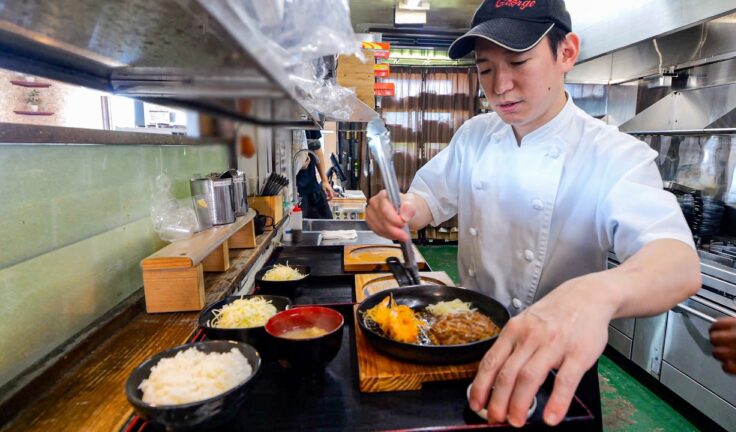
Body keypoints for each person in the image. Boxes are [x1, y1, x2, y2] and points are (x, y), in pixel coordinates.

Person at [365, 0, 701, 428]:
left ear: (567, 53)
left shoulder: (613, 154)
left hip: (556, 366)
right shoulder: (475, 135)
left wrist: (597, 294)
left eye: (519, 62)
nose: (500, 85)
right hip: (465, 342)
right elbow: (427, 199)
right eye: (485, 69)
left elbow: (677, 262)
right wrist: (401, 209)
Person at [296, 130, 335, 219]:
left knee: (327, 225)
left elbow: (317, 147)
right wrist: (297, 165)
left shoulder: (310, 119)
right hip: (296, 192)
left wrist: (325, 181)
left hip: (313, 186)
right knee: (300, 228)